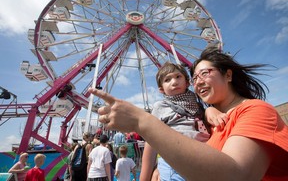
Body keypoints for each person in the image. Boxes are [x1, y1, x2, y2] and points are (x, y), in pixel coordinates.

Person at [88, 46, 288, 181]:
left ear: (228, 75)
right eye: (194, 77)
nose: (198, 81)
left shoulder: (256, 110)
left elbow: (236, 175)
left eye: (205, 73)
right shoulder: (210, 120)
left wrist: (143, 121)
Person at [140, 62, 225, 181]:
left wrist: (209, 110)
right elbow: (151, 141)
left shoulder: (197, 105)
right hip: (175, 165)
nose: (174, 82)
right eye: (167, 80)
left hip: (202, 160)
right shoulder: (161, 107)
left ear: (187, 82)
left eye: (178, 77)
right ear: (161, 89)